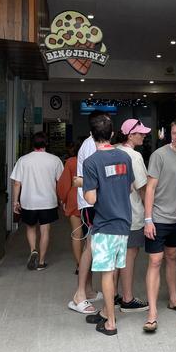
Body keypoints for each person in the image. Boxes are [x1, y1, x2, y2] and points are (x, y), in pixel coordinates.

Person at [82, 114, 135, 335]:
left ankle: (111, 322)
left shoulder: (91, 162)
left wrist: (84, 188)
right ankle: (105, 312)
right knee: (112, 269)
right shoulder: (125, 158)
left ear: (92, 136)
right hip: (123, 222)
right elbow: (130, 187)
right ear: (112, 134)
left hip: (105, 224)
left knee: (105, 272)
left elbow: (91, 199)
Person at [142, 117, 176, 332]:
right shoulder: (159, 155)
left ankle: (173, 298)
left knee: (172, 257)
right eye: (174, 133)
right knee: (155, 261)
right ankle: (152, 312)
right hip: (158, 219)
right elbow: (150, 188)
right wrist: (148, 219)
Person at [68, 111, 105, 314]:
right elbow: (92, 177)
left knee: (91, 246)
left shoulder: (91, 144)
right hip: (91, 203)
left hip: (91, 201)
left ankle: (88, 290)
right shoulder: (92, 145)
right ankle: (79, 295)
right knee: (90, 247)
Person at [113, 118, 151, 312]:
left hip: (113, 212)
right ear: (130, 134)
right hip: (132, 213)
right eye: (140, 133)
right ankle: (127, 298)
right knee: (129, 255)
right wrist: (149, 216)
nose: (144, 135)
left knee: (116, 256)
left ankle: (112, 294)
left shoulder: (112, 152)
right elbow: (143, 188)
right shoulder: (134, 157)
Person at [11, 132, 63, 270]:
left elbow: (17, 183)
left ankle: (33, 250)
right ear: (46, 143)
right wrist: (61, 200)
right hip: (48, 201)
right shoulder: (55, 160)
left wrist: (15, 201)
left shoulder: (23, 160)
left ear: (32, 144)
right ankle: (41, 262)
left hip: (29, 201)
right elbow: (60, 183)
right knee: (45, 230)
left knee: (30, 227)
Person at [57, 142, 82, 269]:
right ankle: (91, 262)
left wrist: (63, 200)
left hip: (74, 198)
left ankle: (79, 264)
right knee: (93, 234)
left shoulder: (71, 162)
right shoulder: (96, 159)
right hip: (93, 197)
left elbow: (64, 184)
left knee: (76, 233)